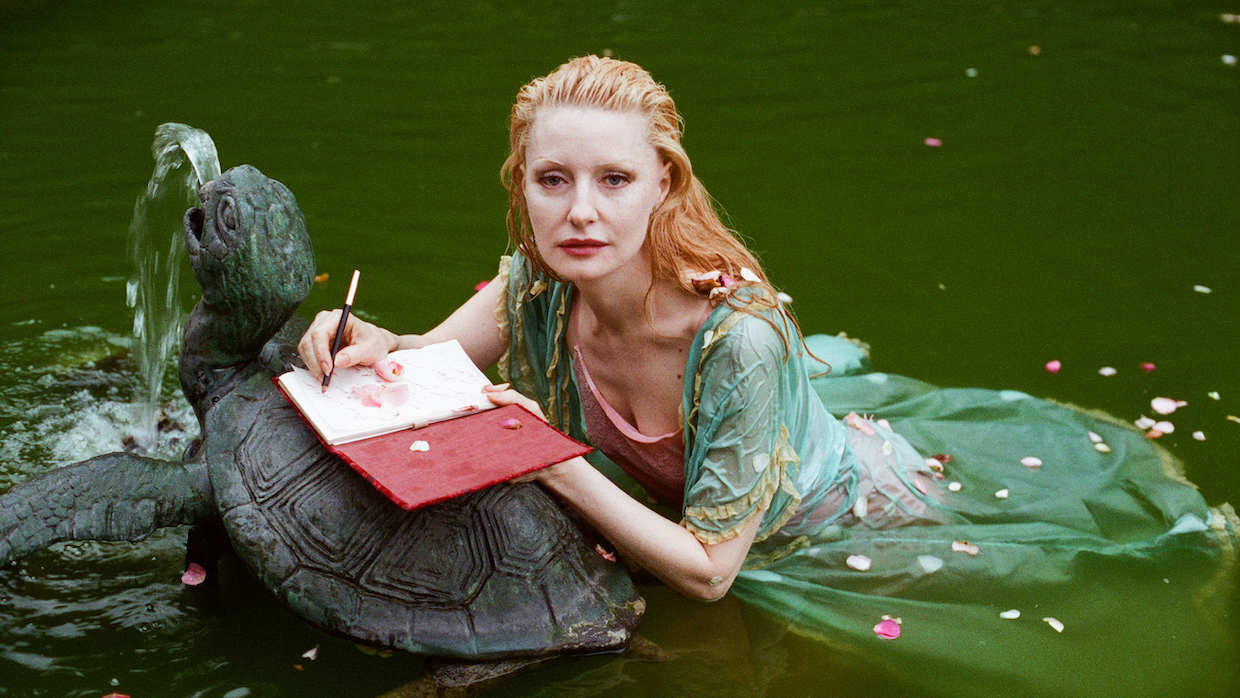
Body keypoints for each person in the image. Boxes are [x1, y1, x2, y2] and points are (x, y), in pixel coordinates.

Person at [300, 56, 1236, 696]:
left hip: (837, 532)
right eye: (553, 180)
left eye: (614, 181)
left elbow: (710, 573)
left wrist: (544, 458)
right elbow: (426, 362)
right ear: (522, 185)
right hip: (694, 514)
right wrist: (364, 341)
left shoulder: (738, 339)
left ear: (662, 182)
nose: (580, 211)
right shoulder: (535, 283)